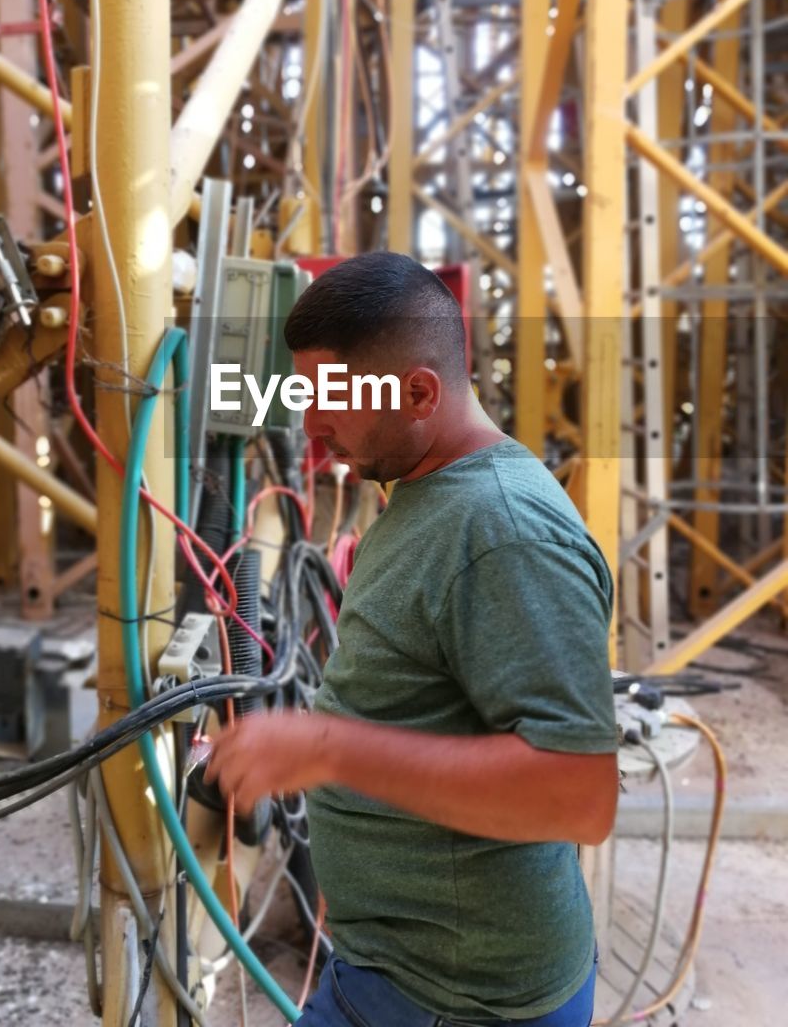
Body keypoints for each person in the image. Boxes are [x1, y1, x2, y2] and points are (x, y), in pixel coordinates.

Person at [207, 252, 619, 1027]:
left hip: (459, 1001)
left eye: (333, 401)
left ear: (420, 393)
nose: (313, 427)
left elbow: (578, 792)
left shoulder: (503, 532)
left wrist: (329, 750)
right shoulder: (428, 493)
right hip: (403, 972)